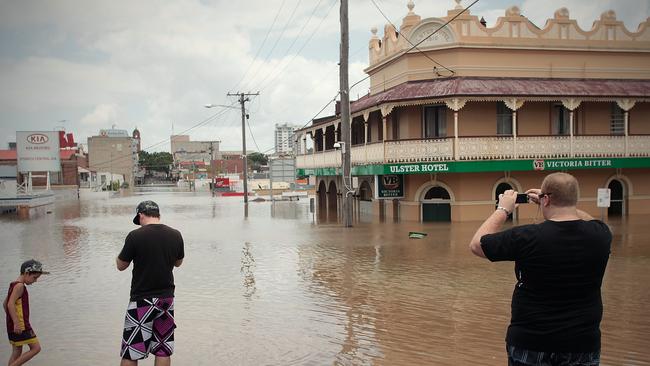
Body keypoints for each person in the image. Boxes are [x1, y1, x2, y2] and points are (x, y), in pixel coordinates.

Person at [469, 172, 611, 366]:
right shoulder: (601, 235)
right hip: (583, 345)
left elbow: (477, 245)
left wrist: (503, 209)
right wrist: (556, 202)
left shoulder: (526, 237)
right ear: (574, 200)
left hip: (530, 343)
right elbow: (589, 220)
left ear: (546, 199)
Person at [116, 200, 184, 366]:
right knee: (163, 348)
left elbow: (121, 266)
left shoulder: (135, 236)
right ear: (158, 215)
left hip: (142, 300)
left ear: (140, 215)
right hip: (166, 300)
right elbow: (178, 262)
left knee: (131, 351)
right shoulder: (175, 234)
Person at [3, 259, 49, 366]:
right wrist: (16, 322)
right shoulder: (20, 286)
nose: (35, 281)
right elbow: (10, 304)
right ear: (26, 273)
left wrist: (11, 321)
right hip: (21, 325)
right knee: (36, 348)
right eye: (34, 278)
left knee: (17, 352)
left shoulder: (13, 285)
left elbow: (5, 304)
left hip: (14, 325)